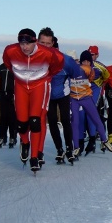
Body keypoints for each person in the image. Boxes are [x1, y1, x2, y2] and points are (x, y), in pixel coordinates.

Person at [3, 28, 64, 172]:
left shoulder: (48, 53)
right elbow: (8, 64)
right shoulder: (10, 51)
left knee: (36, 121)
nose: (24, 47)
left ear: (35, 41)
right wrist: (21, 75)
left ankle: (35, 156)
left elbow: (57, 66)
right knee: (22, 124)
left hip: (39, 85)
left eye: (28, 44)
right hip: (21, 86)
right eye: (21, 44)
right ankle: (25, 142)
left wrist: (46, 76)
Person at [38, 28, 81, 164]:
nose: (45, 47)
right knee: (52, 122)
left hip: (63, 93)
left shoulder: (65, 60)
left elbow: (77, 73)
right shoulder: (35, 59)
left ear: (53, 45)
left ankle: (69, 148)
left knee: (65, 120)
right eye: (42, 43)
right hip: (48, 95)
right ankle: (59, 150)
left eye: (49, 44)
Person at [70, 50, 112, 158]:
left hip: (86, 97)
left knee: (94, 118)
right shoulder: (77, 67)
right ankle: (76, 146)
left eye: (88, 61)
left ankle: (103, 140)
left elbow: (103, 76)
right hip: (74, 99)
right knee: (76, 120)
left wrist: (100, 84)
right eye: (84, 61)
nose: (86, 63)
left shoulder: (92, 69)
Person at [79, 45, 110, 154]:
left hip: (95, 90)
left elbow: (107, 77)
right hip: (83, 89)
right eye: (89, 54)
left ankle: (92, 139)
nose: (91, 57)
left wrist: (100, 86)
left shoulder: (101, 67)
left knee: (90, 114)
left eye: (93, 55)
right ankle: (80, 140)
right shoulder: (81, 64)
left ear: (97, 55)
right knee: (80, 114)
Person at [0, 63, 17, 148]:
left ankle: (12, 137)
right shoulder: (2, 66)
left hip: (12, 95)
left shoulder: (16, 66)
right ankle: (2, 137)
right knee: (3, 117)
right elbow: (0, 80)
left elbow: (18, 80)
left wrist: (16, 94)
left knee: (12, 117)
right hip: (3, 94)